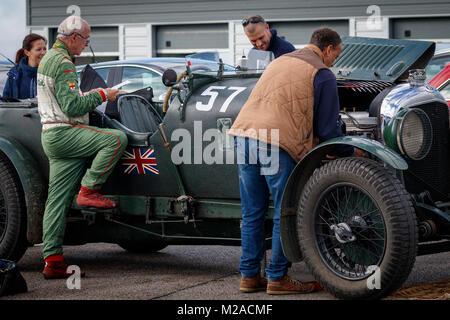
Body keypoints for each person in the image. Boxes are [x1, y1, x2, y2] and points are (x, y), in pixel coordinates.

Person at [229, 27, 358, 294]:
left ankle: (249, 276)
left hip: (243, 135)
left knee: (252, 212)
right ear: (328, 49)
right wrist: (352, 152)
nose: (335, 61)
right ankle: (277, 278)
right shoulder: (322, 74)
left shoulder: (281, 61)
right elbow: (328, 131)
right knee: (284, 211)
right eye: (337, 55)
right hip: (275, 143)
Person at [37, 16, 128, 279]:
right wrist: (103, 94)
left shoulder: (48, 58)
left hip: (51, 136)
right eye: (86, 40)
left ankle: (52, 261)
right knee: (115, 139)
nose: (86, 45)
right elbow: (73, 107)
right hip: (65, 133)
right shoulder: (63, 64)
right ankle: (88, 191)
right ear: (74, 37)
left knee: (56, 202)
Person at [2, 33, 47, 99]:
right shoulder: (14, 74)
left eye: (44, 49)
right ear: (27, 52)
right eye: (39, 49)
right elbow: (6, 100)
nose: (43, 52)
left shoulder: (51, 72)